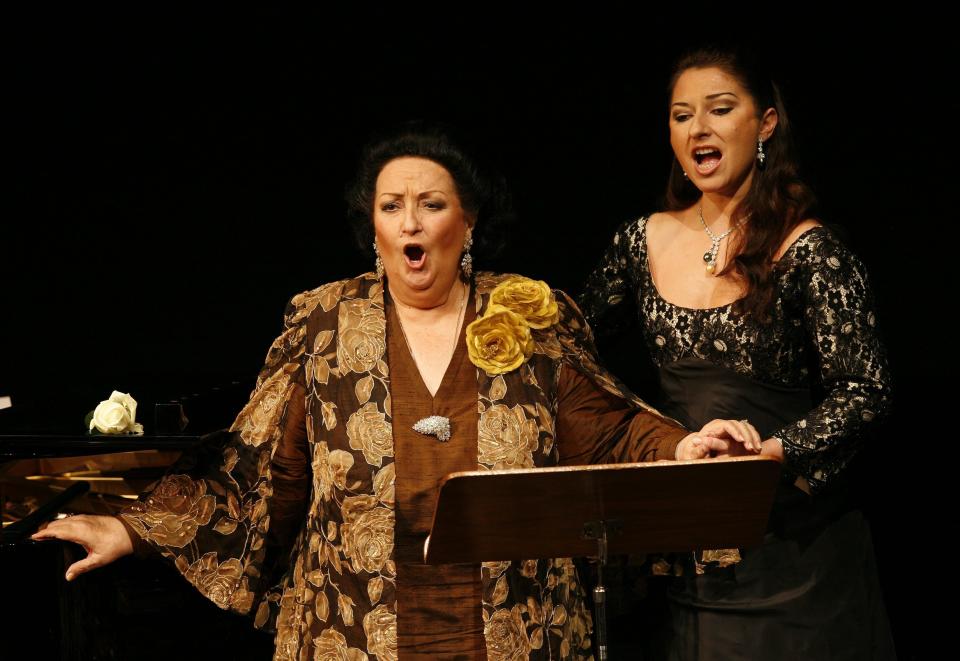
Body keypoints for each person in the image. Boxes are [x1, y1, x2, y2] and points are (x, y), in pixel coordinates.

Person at [32, 125, 756, 660]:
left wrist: (684, 445)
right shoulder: (322, 322)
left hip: (514, 633)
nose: (411, 222)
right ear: (371, 227)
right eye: (392, 206)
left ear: (465, 222)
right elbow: (263, 477)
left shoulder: (528, 312)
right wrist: (133, 529)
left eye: (432, 204)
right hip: (352, 634)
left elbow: (608, 431)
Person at [578, 47, 895, 659]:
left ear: (766, 124)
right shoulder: (639, 242)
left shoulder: (811, 250)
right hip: (688, 545)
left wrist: (767, 456)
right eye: (681, 115)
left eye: (719, 110)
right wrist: (657, 446)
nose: (698, 129)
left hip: (795, 552)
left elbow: (866, 390)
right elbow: (574, 359)